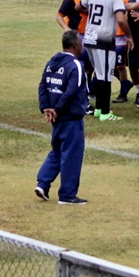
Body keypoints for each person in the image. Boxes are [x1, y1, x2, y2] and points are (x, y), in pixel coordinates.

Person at [36, 30, 90, 205]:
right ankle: (67, 195)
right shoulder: (75, 65)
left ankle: (43, 183)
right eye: (81, 42)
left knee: (57, 151)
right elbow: (71, 91)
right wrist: (56, 109)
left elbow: (43, 85)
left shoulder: (53, 61)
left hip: (56, 117)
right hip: (70, 118)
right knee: (71, 155)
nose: (82, 45)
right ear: (75, 45)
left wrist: (46, 108)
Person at [79, 0, 129, 122]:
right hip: (104, 40)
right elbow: (121, 19)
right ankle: (105, 112)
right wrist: (130, 35)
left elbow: (78, 6)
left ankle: (99, 110)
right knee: (106, 75)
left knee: (99, 73)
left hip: (89, 37)